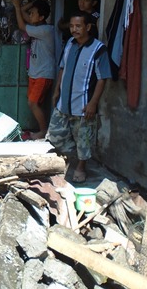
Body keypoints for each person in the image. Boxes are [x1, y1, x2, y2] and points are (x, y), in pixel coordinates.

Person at [47, 10, 111, 183]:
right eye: (72, 26)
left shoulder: (98, 49)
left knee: (83, 139)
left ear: (88, 27)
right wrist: (56, 91)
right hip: (63, 102)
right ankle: (66, 160)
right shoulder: (69, 43)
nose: (74, 29)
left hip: (83, 105)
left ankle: (81, 167)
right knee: (55, 135)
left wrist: (93, 103)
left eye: (78, 26)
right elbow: (62, 67)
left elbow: (103, 79)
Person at [11, 0, 56, 140]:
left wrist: (17, 7)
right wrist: (34, 3)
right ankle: (42, 129)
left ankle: (43, 131)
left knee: (33, 103)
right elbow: (24, 13)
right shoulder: (38, 27)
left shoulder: (45, 30)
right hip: (35, 73)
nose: (30, 15)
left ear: (41, 17)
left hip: (44, 73)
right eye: (30, 13)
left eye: (33, 13)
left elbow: (22, 26)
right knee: (34, 103)